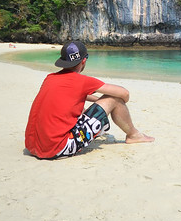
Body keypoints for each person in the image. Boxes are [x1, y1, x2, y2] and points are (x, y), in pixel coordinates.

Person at [25, 40, 154, 159]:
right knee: (114, 98)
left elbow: (74, 94)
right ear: (83, 61)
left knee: (83, 106)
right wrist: (111, 102)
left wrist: (99, 101)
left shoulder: (50, 78)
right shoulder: (82, 81)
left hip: (32, 146)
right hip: (56, 148)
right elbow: (124, 94)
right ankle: (133, 135)